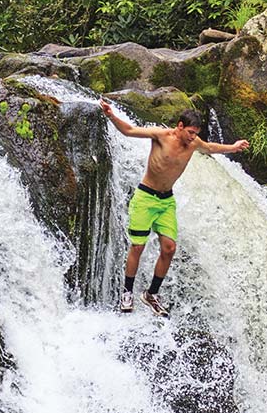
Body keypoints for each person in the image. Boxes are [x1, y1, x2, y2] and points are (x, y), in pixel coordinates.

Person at [99, 101, 249, 317]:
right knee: (138, 247)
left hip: (166, 201)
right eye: (189, 132)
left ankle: (151, 295)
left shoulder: (194, 142)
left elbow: (209, 148)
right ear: (179, 126)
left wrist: (233, 147)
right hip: (145, 198)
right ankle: (127, 292)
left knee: (169, 248)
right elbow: (129, 130)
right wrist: (112, 116)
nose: (192, 137)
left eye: (195, 133)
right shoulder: (161, 136)